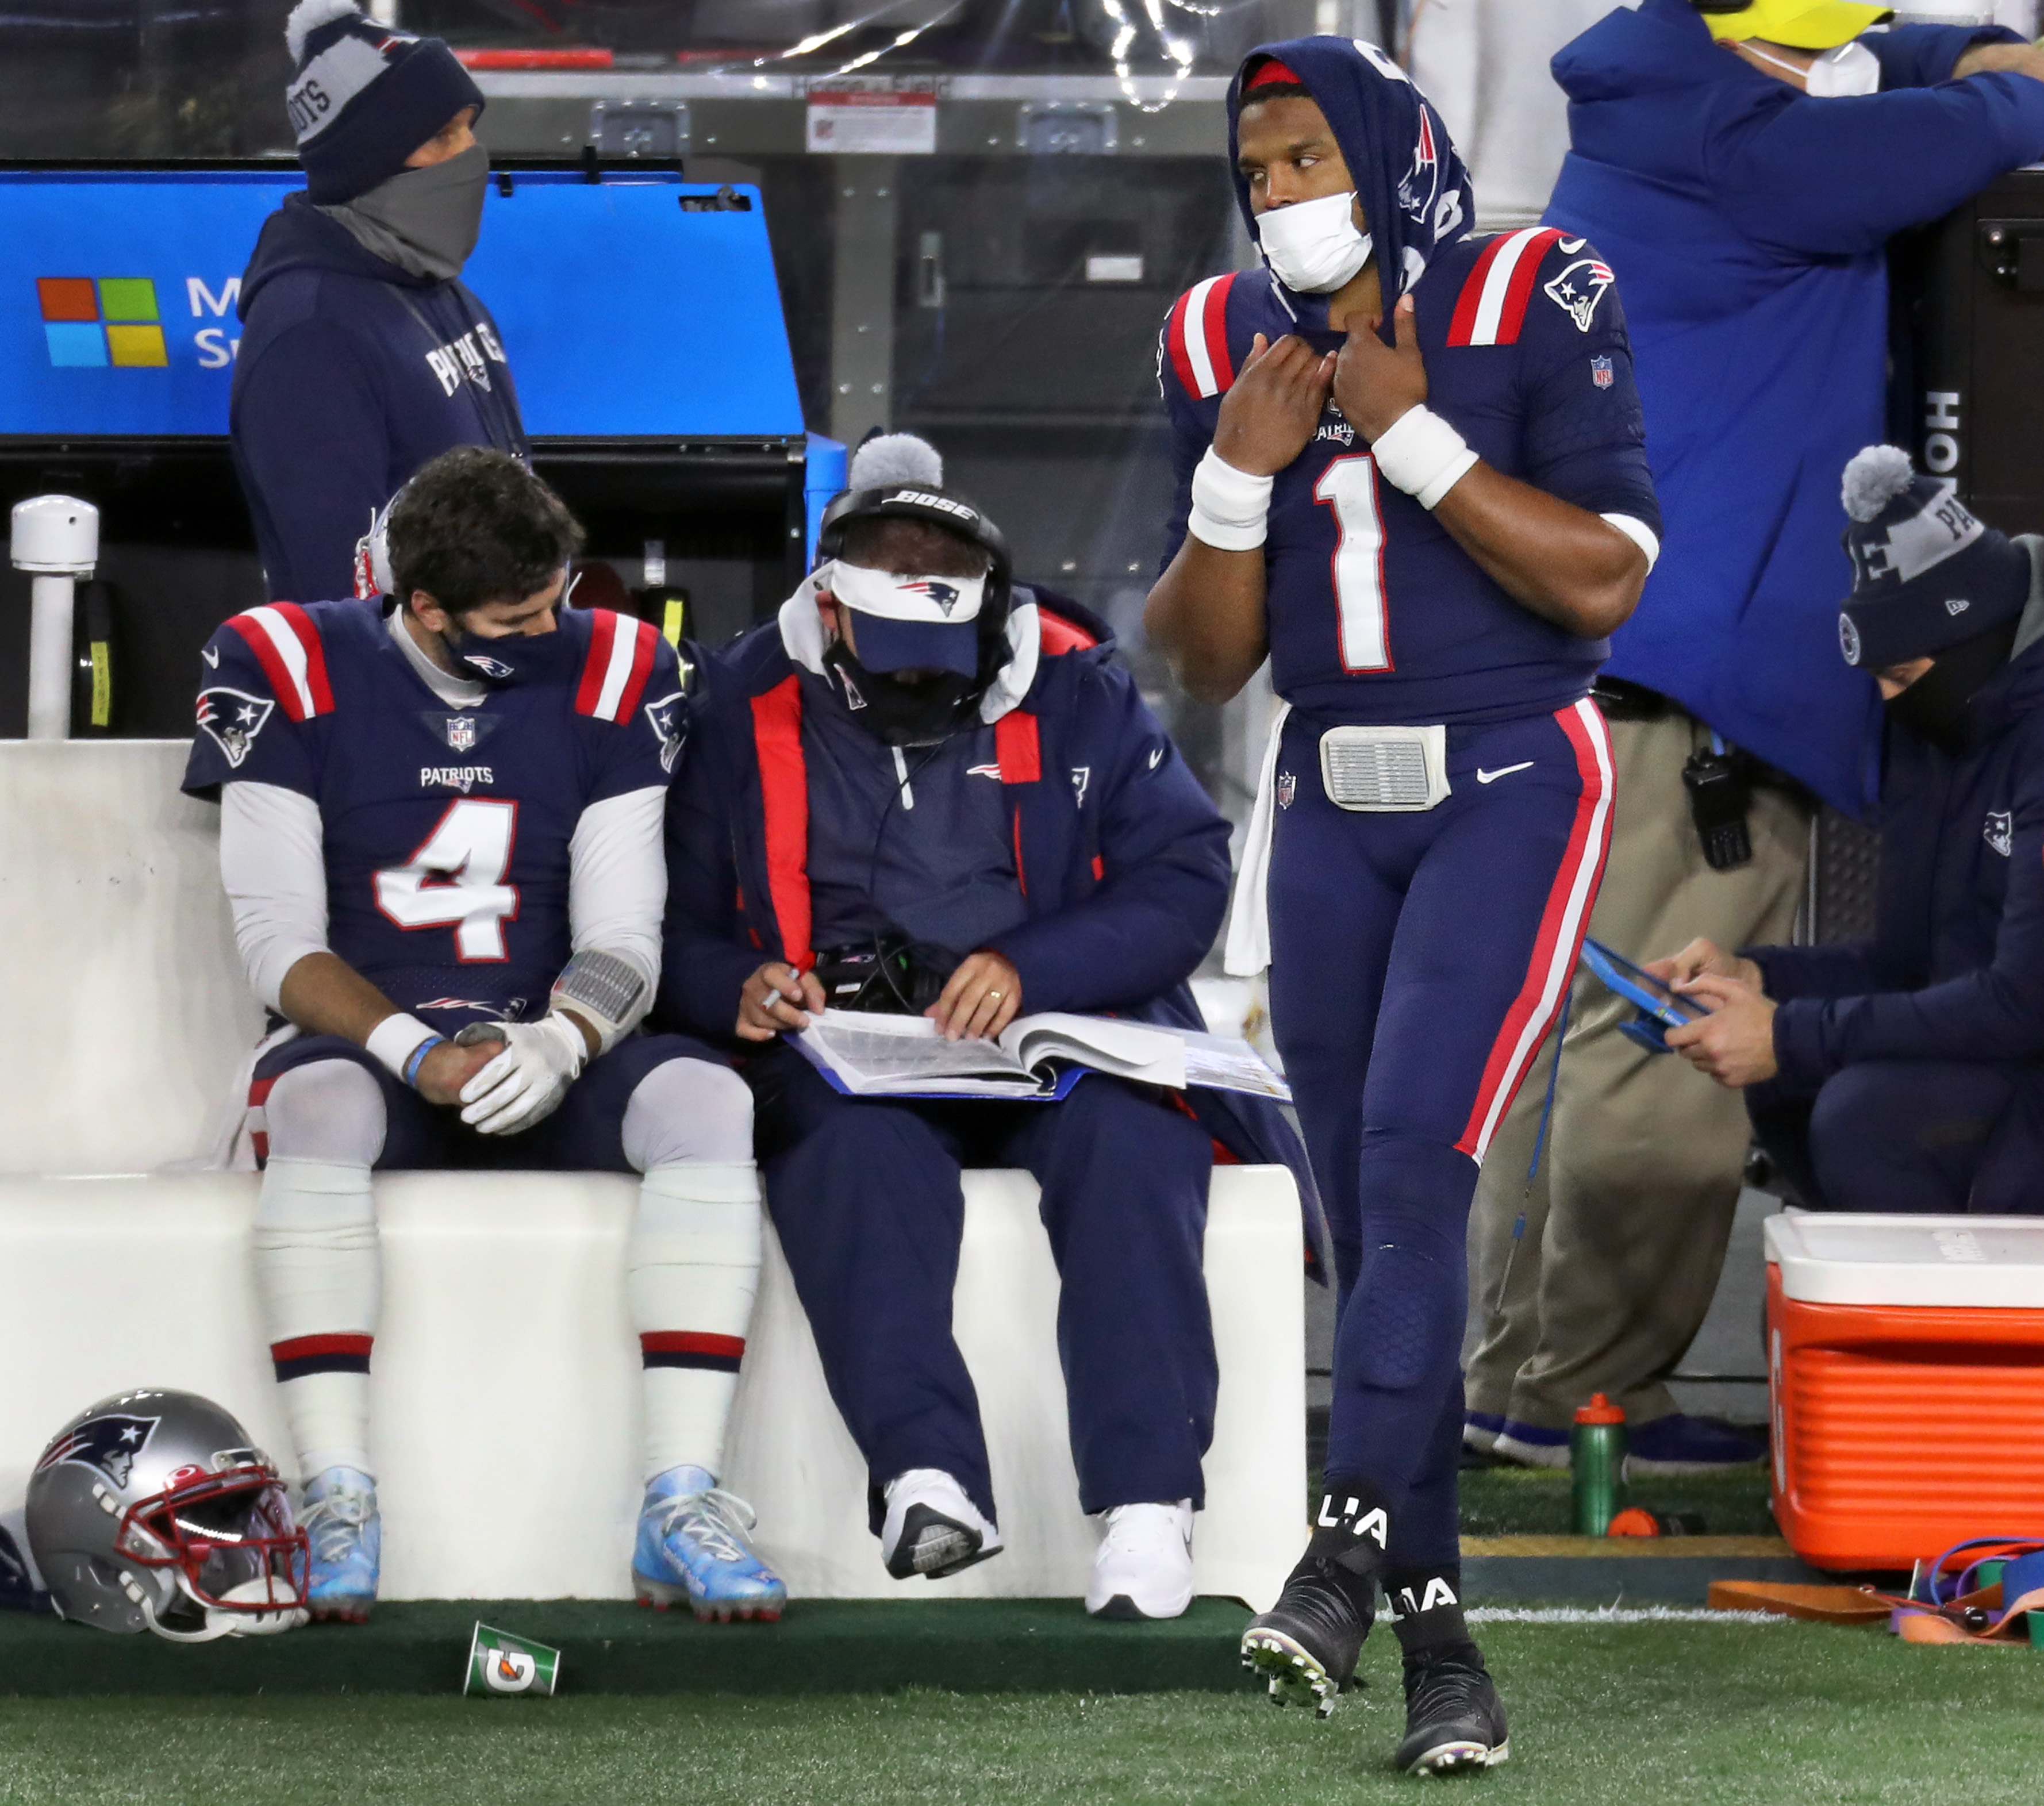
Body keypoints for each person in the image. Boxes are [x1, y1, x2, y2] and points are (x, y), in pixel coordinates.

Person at [1145, 35, 1657, 1776]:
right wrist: (1235, 478)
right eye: (1260, 166)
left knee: (1413, 1165)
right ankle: (1439, 1643)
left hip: (1513, 773)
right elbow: (1208, 663)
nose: (1284, 193)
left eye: (1309, 158)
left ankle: (1339, 1547)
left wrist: (1413, 437)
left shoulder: (1528, 284)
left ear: (1388, 151)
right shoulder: (1220, 339)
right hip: (1326, 784)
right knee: (1367, 1228)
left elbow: (1606, 578)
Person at [1463, 0, 2044, 1474]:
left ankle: (1519, 1372)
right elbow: (2001, 115)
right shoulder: (1758, 149)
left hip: (1607, 662)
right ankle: (1585, 1386)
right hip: (1691, 681)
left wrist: (1928, 54)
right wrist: (1985, 70)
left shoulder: (1668, 95)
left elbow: (1909, 64)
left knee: (1569, 1028)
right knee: (1670, 1030)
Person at [654, 433, 1315, 1621]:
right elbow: (679, 921)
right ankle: (926, 1475)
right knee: (849, 1161)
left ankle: (1148, 1506)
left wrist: (1032, 965)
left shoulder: (1076, 679)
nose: (922, 677)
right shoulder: (740, 700)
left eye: (943, 650)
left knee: (1133, 1149)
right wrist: (740, 983)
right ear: (829, 608)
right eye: (891, 650)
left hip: (1056, 1032)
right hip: (845, 1048)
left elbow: (1180, 874)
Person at [182, 447, 782, 1624]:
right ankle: (337, 1492)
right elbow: (278, 946)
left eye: (559, 596)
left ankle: (680, 1498)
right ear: (420, 604)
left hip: (549, 1033)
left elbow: (623, 928)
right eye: (517, 615)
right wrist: (416, 1048)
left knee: (711, 1101)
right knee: (316, 1107)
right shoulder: (285, 661)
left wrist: (561, 1038)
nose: (553, 627)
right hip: (369, 1044)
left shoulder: (617, 664)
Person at [1662, 446, 2044, 1214]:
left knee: (1866, 1116)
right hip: (2003, 1040)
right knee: (1792, 1084)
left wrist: (1791, 1032)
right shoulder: (1939, 726)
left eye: (1901, 677)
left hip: (2027, 1039)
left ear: (1972, 641)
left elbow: (2022, 1000)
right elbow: (1910, 963)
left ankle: (1959, 1327)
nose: (1886, 698)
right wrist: (1761, 980)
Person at [232, 0, 525, 604]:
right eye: (443, 136)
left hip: (498, 681)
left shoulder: (439, 288)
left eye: (469, 126)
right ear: (368, 158)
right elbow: (338, 600)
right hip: (408, 694)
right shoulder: (312, 337)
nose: (470, 154)